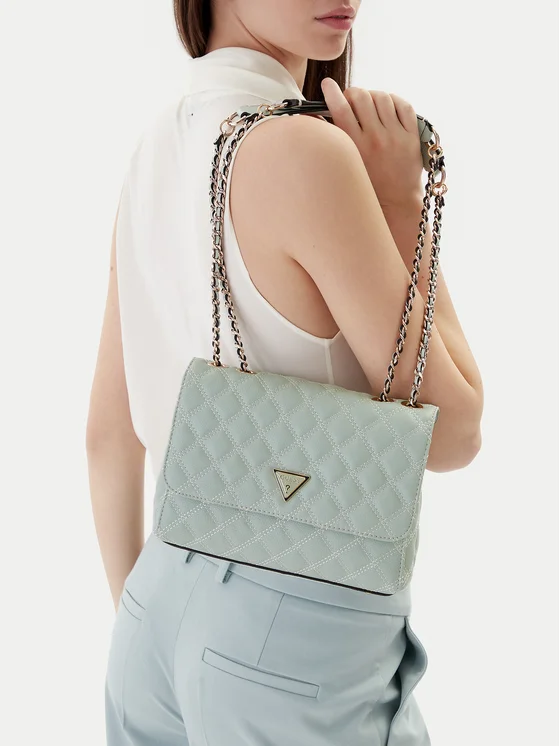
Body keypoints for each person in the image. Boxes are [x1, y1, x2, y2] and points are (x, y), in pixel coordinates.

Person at [86, 1, 484, 744]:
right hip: (289, 624)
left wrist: (156, 627)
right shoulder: (305, 152)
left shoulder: (156, 146)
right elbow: (455, 431)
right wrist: (400, 204)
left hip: (150, 614)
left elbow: (108, 436)